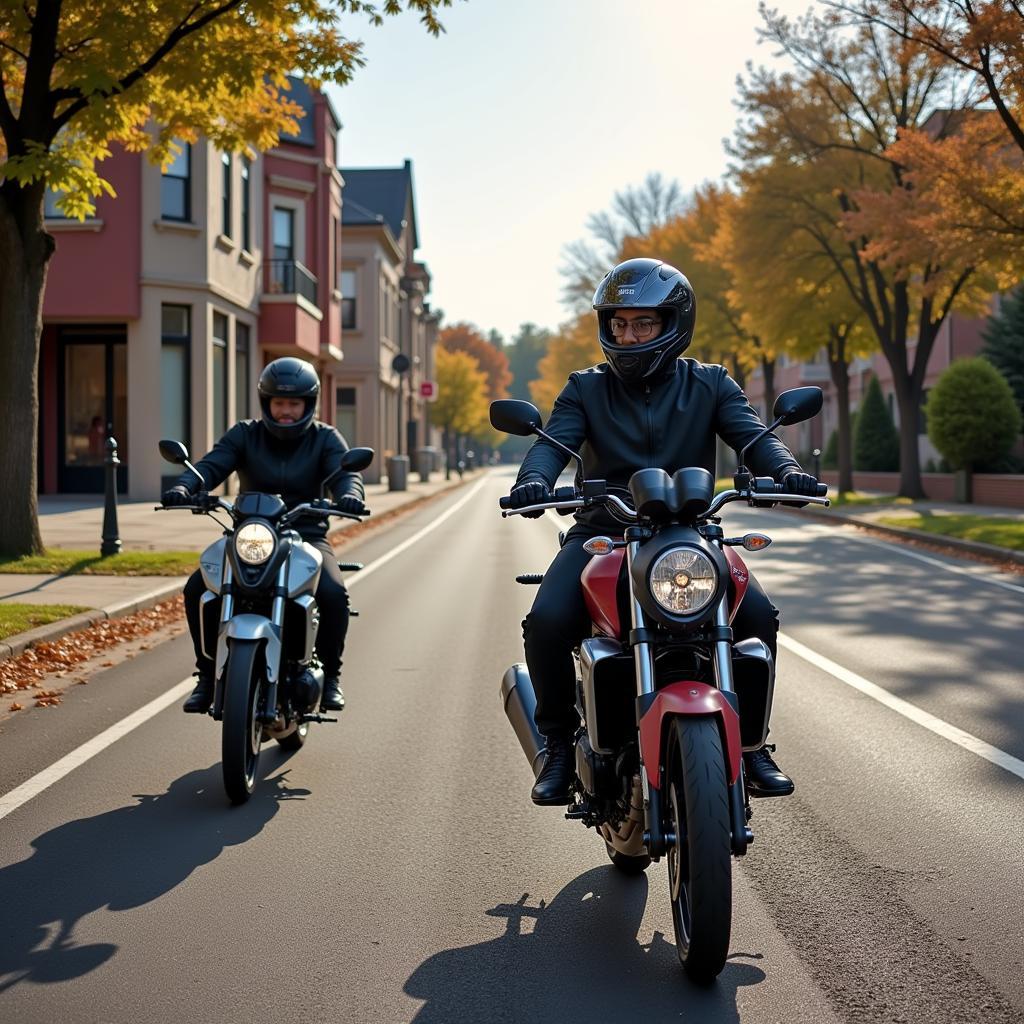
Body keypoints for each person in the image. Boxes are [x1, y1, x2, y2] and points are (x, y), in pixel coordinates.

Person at [506, 257, 821, 805]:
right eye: (618, 324)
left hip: (691, 536)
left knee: (758, 617)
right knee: (548, 619)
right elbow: (548, 445)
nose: (629, 335)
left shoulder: (711, 383)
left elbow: (752, 437)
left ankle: (750, 745)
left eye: (643, 323)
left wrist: (786, 469)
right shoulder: (585, 389)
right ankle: (557, 744)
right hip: (603, 532)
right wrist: (534, 481)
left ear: (674, 323)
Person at [162, 356, 366, 714]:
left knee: (334, 593)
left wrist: (350, 495)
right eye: (279, 403)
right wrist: (184, 485)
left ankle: (331, 676)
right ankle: (207, 676)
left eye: (294, 403)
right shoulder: (245, 433)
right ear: (266, 402)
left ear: (308, 404)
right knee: (198, 588)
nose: (286, 411)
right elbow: (212, 465)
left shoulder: (325, 438)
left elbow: (345, 473)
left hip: (305, 534)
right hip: (250, 536)